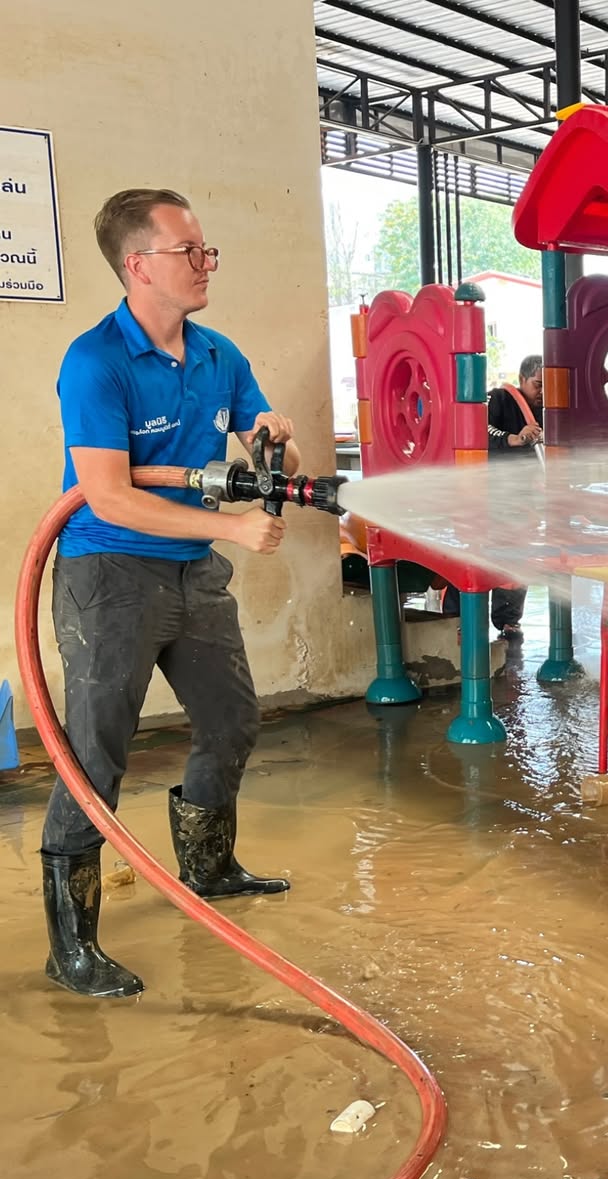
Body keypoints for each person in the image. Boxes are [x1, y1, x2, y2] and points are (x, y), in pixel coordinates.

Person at [43, 187, 301, 1000]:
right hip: (109, 572)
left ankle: (208, 867)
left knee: (231, 721)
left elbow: (269, 464)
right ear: (137, 265)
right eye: (189, 250)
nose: (205, 263)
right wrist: (229, 528)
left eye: (206, 248)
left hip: (193, 569)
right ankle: (71, 946)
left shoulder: (220, 355)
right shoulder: (96, 362)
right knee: (95, 753)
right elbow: (109, 494)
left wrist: (274, 445)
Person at [443, 354, 543, 636]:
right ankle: (457, 616)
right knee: (473, 553)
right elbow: (479, 430)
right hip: (486, 497)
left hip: (522, 500)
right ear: (522, 379)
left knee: (516, 560)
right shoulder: (497, 398)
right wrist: (513, 438)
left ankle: (509, 620)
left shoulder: (547, 409)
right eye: (537, 385)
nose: (542, 393)